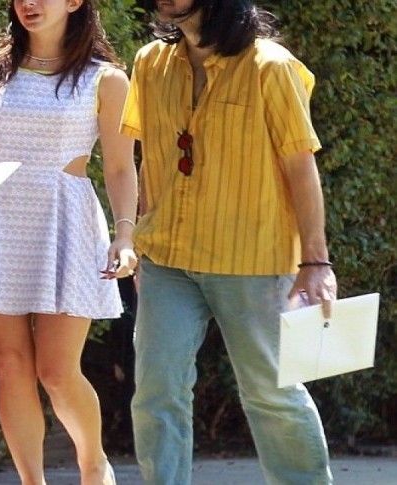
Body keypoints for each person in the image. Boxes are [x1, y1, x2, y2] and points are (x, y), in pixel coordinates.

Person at [121, 1, 337, 484]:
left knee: (271, 393)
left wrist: (316, 261)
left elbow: (300, 166)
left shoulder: (271, 67)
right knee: (156, 392)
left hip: (251, 259)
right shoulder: (149, 63)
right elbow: (151, 157)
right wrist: (142, 238)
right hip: (167, 260)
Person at [0, 1, 138, 484]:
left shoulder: (107, 79)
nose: (29, 4)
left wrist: (125, 235)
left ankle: (93, 463)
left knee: (58, 371)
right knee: (10, 363)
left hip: (66, 223)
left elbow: (120, 167)